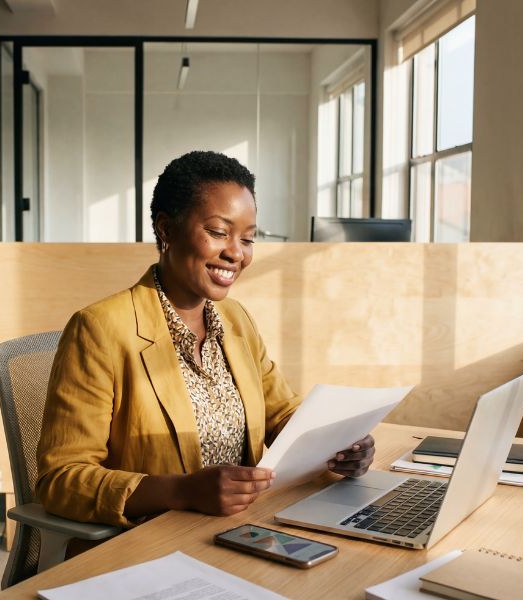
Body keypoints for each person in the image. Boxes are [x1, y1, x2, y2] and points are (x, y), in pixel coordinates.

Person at [35, 150, 376, 529]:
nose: (236, 253)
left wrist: (340, 443)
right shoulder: (99, 330)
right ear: (166, 229)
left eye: (248, 239)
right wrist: (182, 491)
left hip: (245, 528)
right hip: (152, 542)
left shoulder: (236, 320)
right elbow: (60, 480)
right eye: (218, 232)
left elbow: (280, 412)